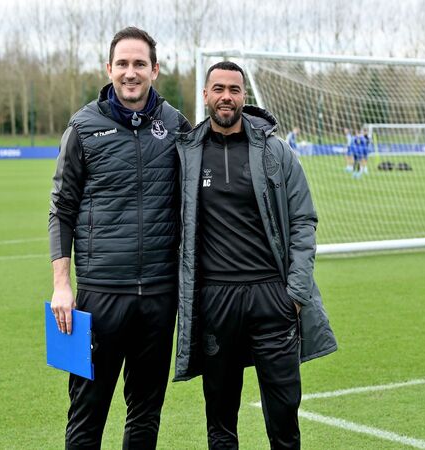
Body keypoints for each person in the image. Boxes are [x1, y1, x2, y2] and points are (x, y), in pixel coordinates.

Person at [173, 61, 337, 449]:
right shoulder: (186, 156)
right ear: (205, 95)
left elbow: (303, 221)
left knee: (283, 421)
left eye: (234, 89)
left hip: (272, 300)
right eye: (218, 89)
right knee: (221, 423)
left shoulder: (277, 152)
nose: (226, 96)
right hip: (217, 301)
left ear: (244, 96)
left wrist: (295, 295)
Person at [48, 27, 191, 449]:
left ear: (155, 70)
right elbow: (61, 208)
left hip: (160, 299)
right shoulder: (83, 126)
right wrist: (61, 284)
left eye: (140, 64)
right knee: (86, 417)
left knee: (146, 416)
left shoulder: (176, 126)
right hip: (99, 297)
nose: (131, 73)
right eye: (123, 64)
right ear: (109, 68)